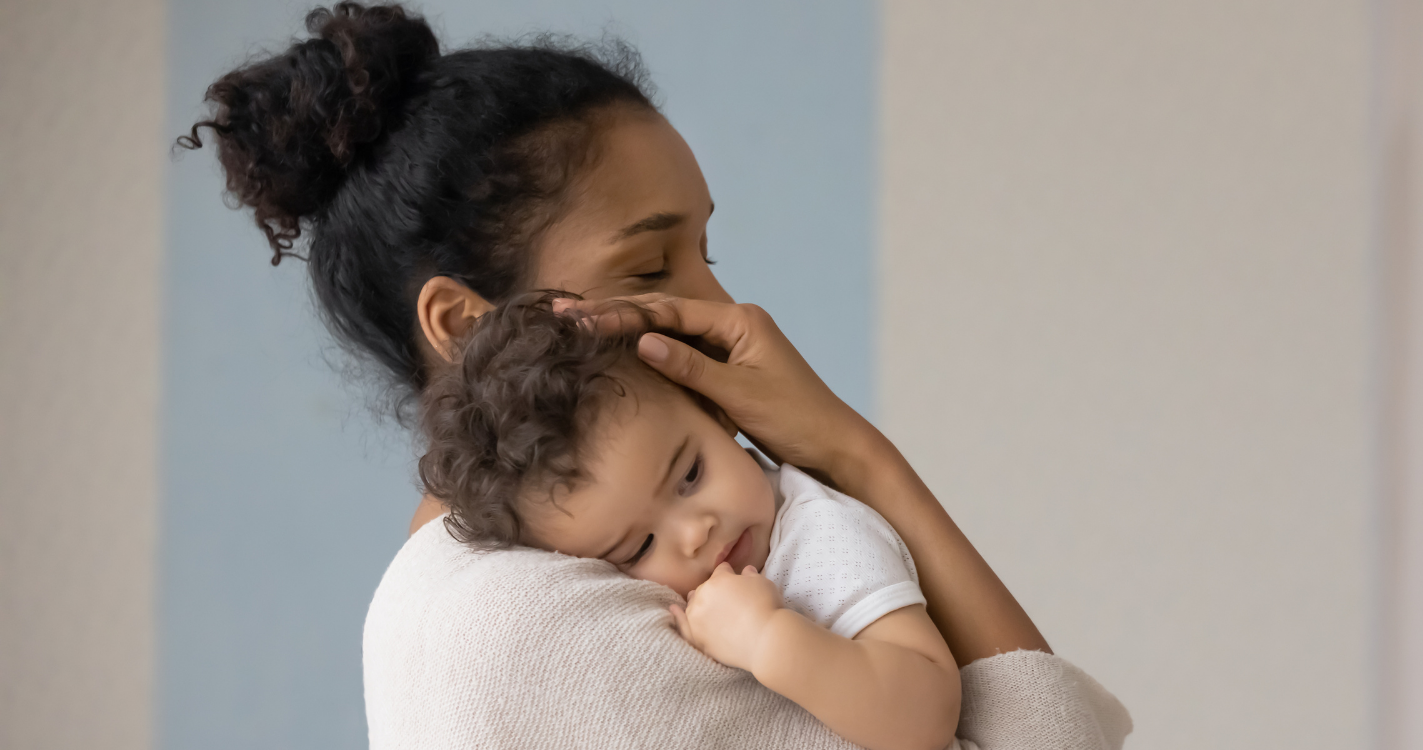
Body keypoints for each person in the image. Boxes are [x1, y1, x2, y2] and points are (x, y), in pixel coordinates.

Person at [181, 3, 1131, 747]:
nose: (732, 314)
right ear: (466, 325)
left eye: (708, 251)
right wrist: (856, 454)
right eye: (650, 267)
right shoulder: (525, 630)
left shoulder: (514, 577)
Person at [417, 292, 960, 750]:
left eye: (691, 474)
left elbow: (929, 712)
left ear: (716, 412)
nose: (694, 531)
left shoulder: (820, 536)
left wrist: (770, 640)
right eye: (639, 548)